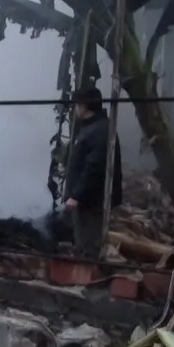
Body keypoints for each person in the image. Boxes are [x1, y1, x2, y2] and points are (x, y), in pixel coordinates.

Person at [63, 86, 123, 257]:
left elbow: (94, 168)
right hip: (89, 201)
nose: (75, 110)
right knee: (84, 243)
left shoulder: (98, 131)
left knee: (89, 246)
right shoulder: (95, 128)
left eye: (76, 105)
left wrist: (77, 196)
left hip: (91, 203)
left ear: (83, 106)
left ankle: (91, 280)